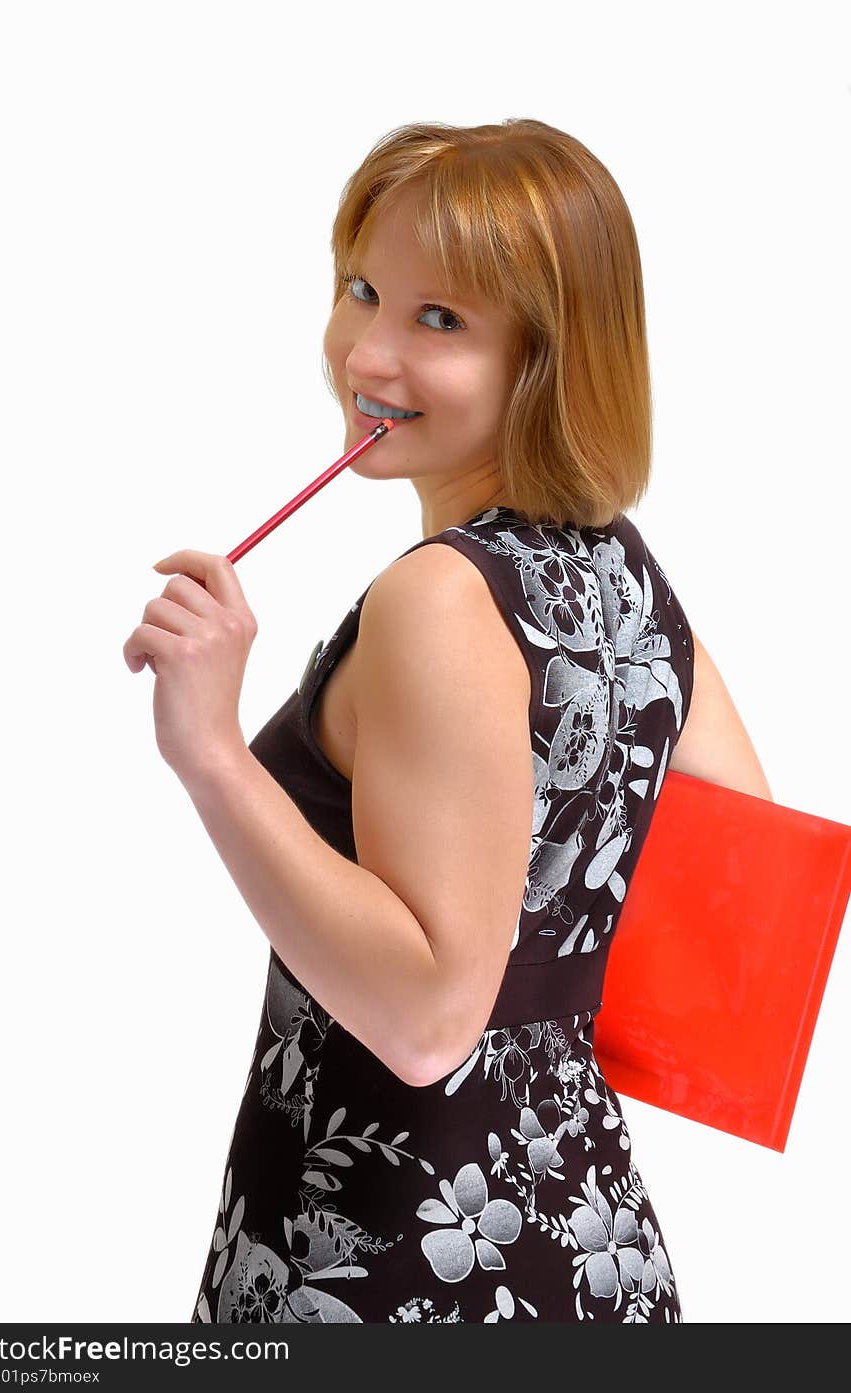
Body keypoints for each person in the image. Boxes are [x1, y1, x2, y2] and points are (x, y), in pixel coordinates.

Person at [125, 119, 771, 1323]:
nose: (365, 351)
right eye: (364, 290)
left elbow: (425, 1023)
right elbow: (748, 916)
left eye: (441, 321)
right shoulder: (624, 577)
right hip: (596, 1254)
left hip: (392, 1264)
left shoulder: (439, 597)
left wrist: (212, 752)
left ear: (546, 357)